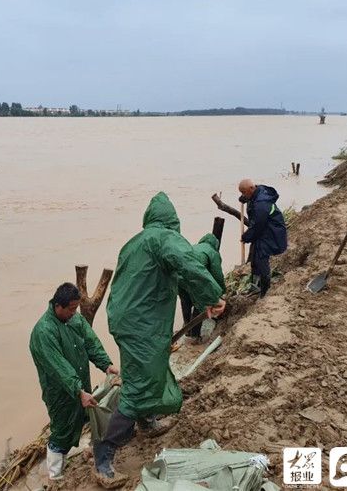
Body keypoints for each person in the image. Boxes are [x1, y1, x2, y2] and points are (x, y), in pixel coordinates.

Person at [92, 192, 226, 488]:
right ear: (172, 222)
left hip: (129, 319)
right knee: (138, 387)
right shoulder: (164, 238)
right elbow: (189, 264)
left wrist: (199, 298)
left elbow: (164, 277)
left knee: (151, 370)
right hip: (143, 324)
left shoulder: (136, 242)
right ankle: (103, 456)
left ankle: (147, 422)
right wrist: (213, 296)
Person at [29, 283, 119, 481]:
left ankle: (88, 452)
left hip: (80, 386)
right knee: (61, 431)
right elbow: (59, 367)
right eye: (71, 309)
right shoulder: (44, 332)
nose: (74, 313)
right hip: (60, 392)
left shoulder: (74, 320)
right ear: (57, 306)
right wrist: (78, 391)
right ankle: (55, 475)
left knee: (87, 418)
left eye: (76, 308)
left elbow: (91, 342)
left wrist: (106, 365)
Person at [238, 179, 288, 297]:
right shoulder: (257, 192)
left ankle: (265, 291)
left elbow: (257, 226)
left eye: (244, 192)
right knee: (255, 257)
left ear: (251, 189)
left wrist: (246, 237)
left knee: (261, 258)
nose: (243, 195)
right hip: (266, 228)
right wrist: (245, 198)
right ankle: (255, 286)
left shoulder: (261, 204)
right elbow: (257, 222)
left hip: (271, 232)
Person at [178, 233, 226, 343]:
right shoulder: (212, 252)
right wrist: (221, 292)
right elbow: (217, 275)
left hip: (179, 278)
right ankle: (194, 336)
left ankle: (187, 330)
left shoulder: (194, 247)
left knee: (185, 302)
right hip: (194, 277)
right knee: (200, 305)